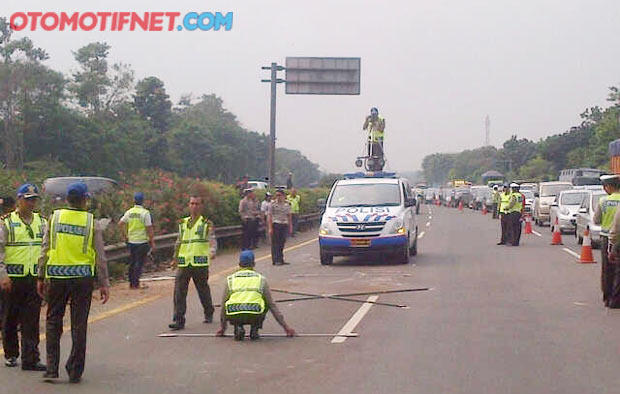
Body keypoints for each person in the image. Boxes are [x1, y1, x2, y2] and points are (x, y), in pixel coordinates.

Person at [37, 182, 110, 383]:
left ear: (67, 199)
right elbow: (100, 256)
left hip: (57, 277)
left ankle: (52, 368)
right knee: (79, 324)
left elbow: (45, 248)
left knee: (53, 321)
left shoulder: (55, 218)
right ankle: (75, 370)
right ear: (85, 199)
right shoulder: (90, 221)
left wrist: (41, 275)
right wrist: (104, 283)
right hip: (82, 279)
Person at [1, 184, 46, 371]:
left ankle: (31, 358)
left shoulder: (42, 222)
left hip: (33, 278)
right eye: (28, 199)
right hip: (12, 278)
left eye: (34, 199)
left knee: (32, 319)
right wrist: (2, 274)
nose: (31, 203)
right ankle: (11, 354)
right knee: (9, 318)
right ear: (19, 200)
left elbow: (47, 249)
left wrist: (44, 276)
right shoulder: (6, 222)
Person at [215, 250, 295, 340]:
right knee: (265, 302)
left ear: (239, 264)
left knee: (228, 304)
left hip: (235, 313)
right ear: (253, 264)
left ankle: (238, 326)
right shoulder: (261, 279)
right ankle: (255, 328)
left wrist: (222, 328)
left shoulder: (230, 279)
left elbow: (223, 306)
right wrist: (286, 328)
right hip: (255, 313)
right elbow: (272, 305)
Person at [168, 195, 216, 330]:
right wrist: (175, 258)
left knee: (203, 290)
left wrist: (212, 252)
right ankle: (178, 319)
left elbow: (212, 240)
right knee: (179, 291)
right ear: (189, 205)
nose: (194, 206)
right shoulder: (183, 223)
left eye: (197, 204)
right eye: (192, 203)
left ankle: (208, 311)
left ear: (201, 206)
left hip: (200, 262)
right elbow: (179, 242)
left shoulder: (206, 223)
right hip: (184, 262)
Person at [118, 192, 155, 289]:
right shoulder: (145, 213)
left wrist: (125, 236)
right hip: (142, 241)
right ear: (143, 201)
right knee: (139, 262)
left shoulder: (129, 212)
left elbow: (120, 224)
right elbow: (149, 228)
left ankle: (131, 283)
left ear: (134, 200)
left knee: (132, 262)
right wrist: (152, 240)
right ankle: (136, 283)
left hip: (131, 241)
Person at [593, 174, 620, 307]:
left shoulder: (603, 201)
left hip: (607, 238)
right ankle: (617, 298)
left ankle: (607, 297)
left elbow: (596, 220)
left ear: (609, 187)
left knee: (607, 269)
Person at [268, 189, 292, 265]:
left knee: (282, 242)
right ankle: (275, 260)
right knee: (275, 243)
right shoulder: (272, 204)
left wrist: (290, 226)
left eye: (279, 195)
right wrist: (270, 228)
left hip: (284, 224)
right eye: (277, 195)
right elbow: (270, 216)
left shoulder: (287, 204)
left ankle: (281, 259)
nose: (278, 197)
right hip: (276, 224)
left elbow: (289, 216)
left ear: (283, 196)